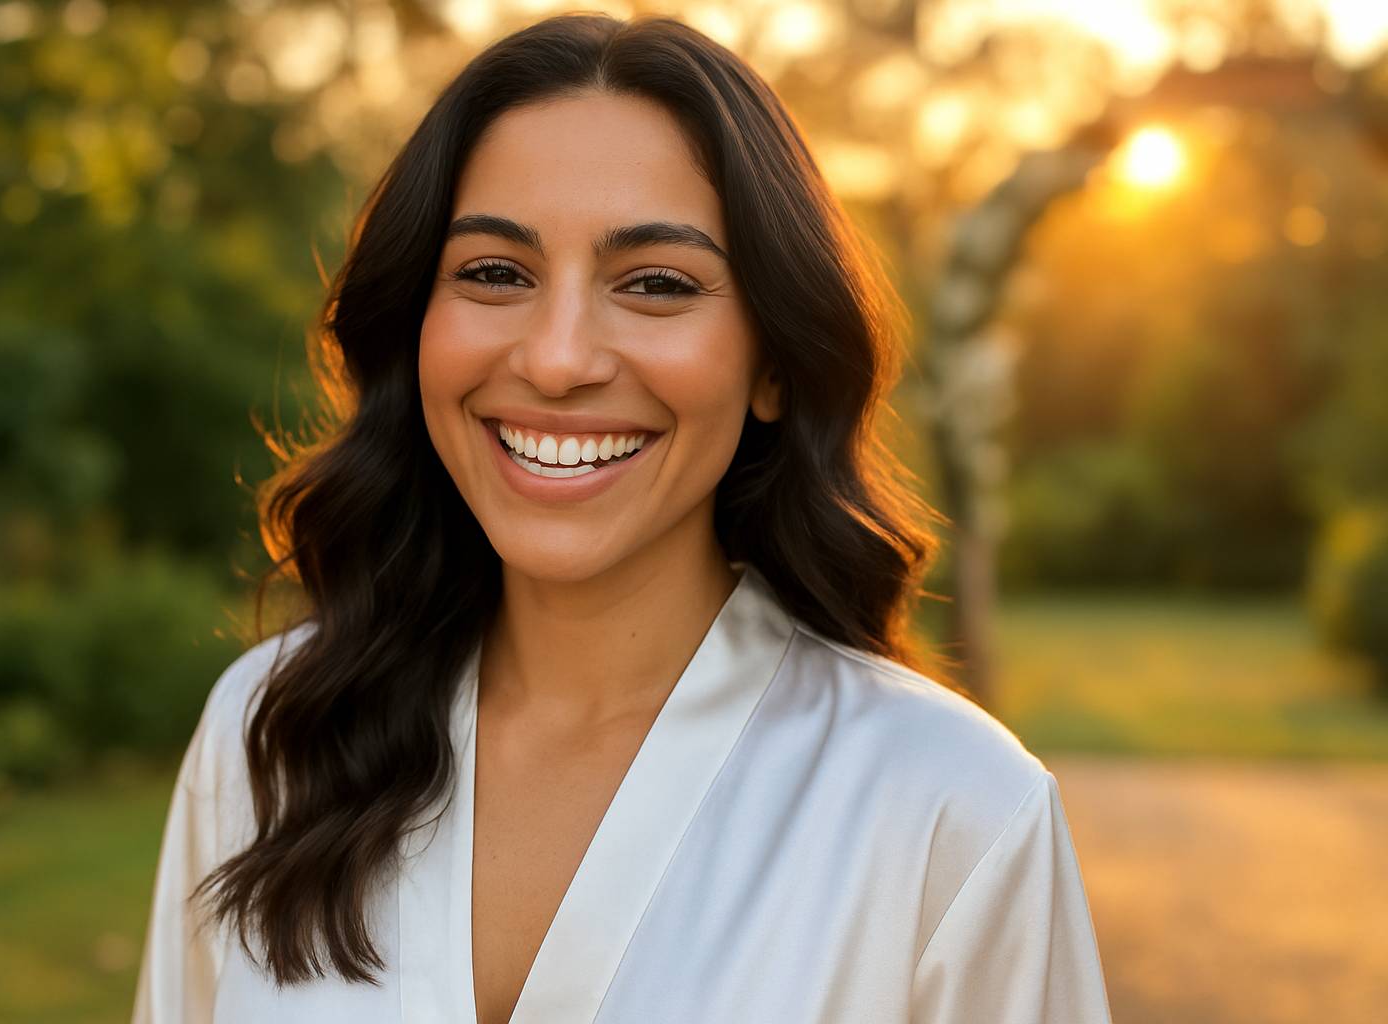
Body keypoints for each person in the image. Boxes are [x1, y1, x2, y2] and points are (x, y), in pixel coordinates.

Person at [131, 12, 1113, 1024]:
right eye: (495, 273)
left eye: (655, 284)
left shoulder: (955, 810)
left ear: (774, 362)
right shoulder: (269, 737)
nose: (558, 359)